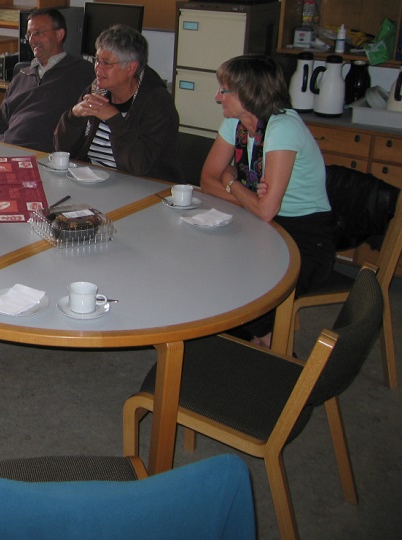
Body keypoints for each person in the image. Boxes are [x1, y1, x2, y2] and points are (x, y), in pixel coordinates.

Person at [201, 55, 335, 346]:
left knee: (245, 299)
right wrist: (248, 197)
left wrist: (232, 182)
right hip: (260, 228)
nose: (217, 97)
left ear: (248, 93)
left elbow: (264, 210)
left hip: (304, 237)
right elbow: (207, 180)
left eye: (224, 90)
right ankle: (260, 344)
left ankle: (274, 355)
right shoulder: (236, 123)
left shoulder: (282, 127)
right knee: (207, 274)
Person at [54, 24, 183, 182]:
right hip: (94, 180)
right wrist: (73, 116)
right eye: (97, 60)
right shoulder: (96, 91)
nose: (98, 68)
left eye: (106, 63)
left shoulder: (157, 102)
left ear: (130, 68)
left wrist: (114, 119)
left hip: (142, 186)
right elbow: (62, 151)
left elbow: (138, 166)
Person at [0, 8, 95, 153]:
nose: (32, 40)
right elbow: (1, 126)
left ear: (59, 34)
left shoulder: (82, 73)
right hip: (5, 151)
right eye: (29, 34)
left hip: (42, 157)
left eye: (38, 33)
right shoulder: (21, 77)